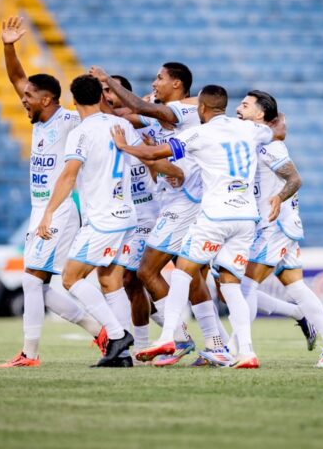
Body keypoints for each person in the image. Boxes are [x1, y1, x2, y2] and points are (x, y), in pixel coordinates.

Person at [112, 85, 282, 368]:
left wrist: (124, 147)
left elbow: (156, 154)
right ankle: (247, 352)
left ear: (202, 109)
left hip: (215, 216)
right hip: (246, 218)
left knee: (182, 273)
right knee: (230, 284)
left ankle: (169, 336)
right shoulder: (250, 130)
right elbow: (274, 131)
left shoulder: (198, 133)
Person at [0, 16, 107, 368]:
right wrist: (8, 46)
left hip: (60, 207)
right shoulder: (40, 118)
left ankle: (31, 354)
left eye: (29, 97)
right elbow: (16, 77)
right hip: (40, 208)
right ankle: (101, 331)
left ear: (46, 100)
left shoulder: (71, 121)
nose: (23, 100)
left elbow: (104, 116)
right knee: (38, 283)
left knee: (32, 279)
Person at [91, 64, 219, 366]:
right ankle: (217, 345)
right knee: (191, 274)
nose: (154, 83)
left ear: (176, 84)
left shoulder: (183, 111)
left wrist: (107, 81)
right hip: (180, 200)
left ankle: (178, 338)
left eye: (159, 78)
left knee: (147, 271)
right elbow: (127, 115)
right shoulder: (163, 120)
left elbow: (137, 108)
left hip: (184, 201)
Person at [234, 90, 323, 368]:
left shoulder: (270, 145)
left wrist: (277, 198)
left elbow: (295, 179)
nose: (238, 108)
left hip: (276, 225)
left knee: (244, 285)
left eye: (245, 105)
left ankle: (237, 350)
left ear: (260, 114)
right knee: (296, 287)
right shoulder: (257, 139)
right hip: (281, 224)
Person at [37, 74, 138, 367]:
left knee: (71, 278)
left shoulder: (81, 132)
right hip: (126, 215)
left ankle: (118, 335)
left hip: (103, 219)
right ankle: (122, 357)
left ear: (74, 101)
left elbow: (69, 175)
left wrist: (48, 212)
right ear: (101, 97)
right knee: (110, 281)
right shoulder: (122, 126)